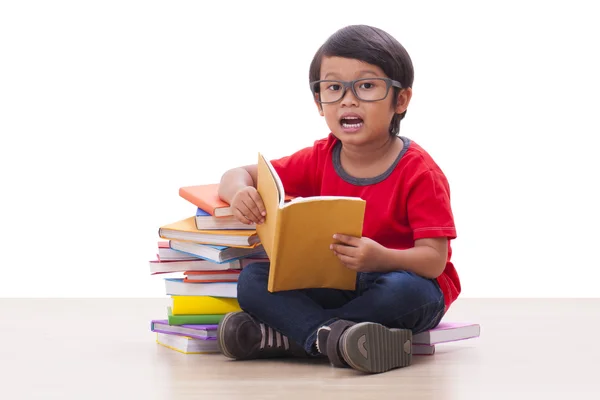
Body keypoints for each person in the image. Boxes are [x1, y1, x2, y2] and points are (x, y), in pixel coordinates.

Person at [215, 24, 460, 374]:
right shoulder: (318, 157)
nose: (348, 99)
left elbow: (434, 261)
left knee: (406, 291)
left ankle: (298, 336)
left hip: (398, 283)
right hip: (333, 283)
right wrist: (240, 191)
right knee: (253, 281)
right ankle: (332, 339)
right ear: (319, 103)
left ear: (400, 100)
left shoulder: (420, 172)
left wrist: (379, 257)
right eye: (333, 88)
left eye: (366, 86)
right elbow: (236, 174)